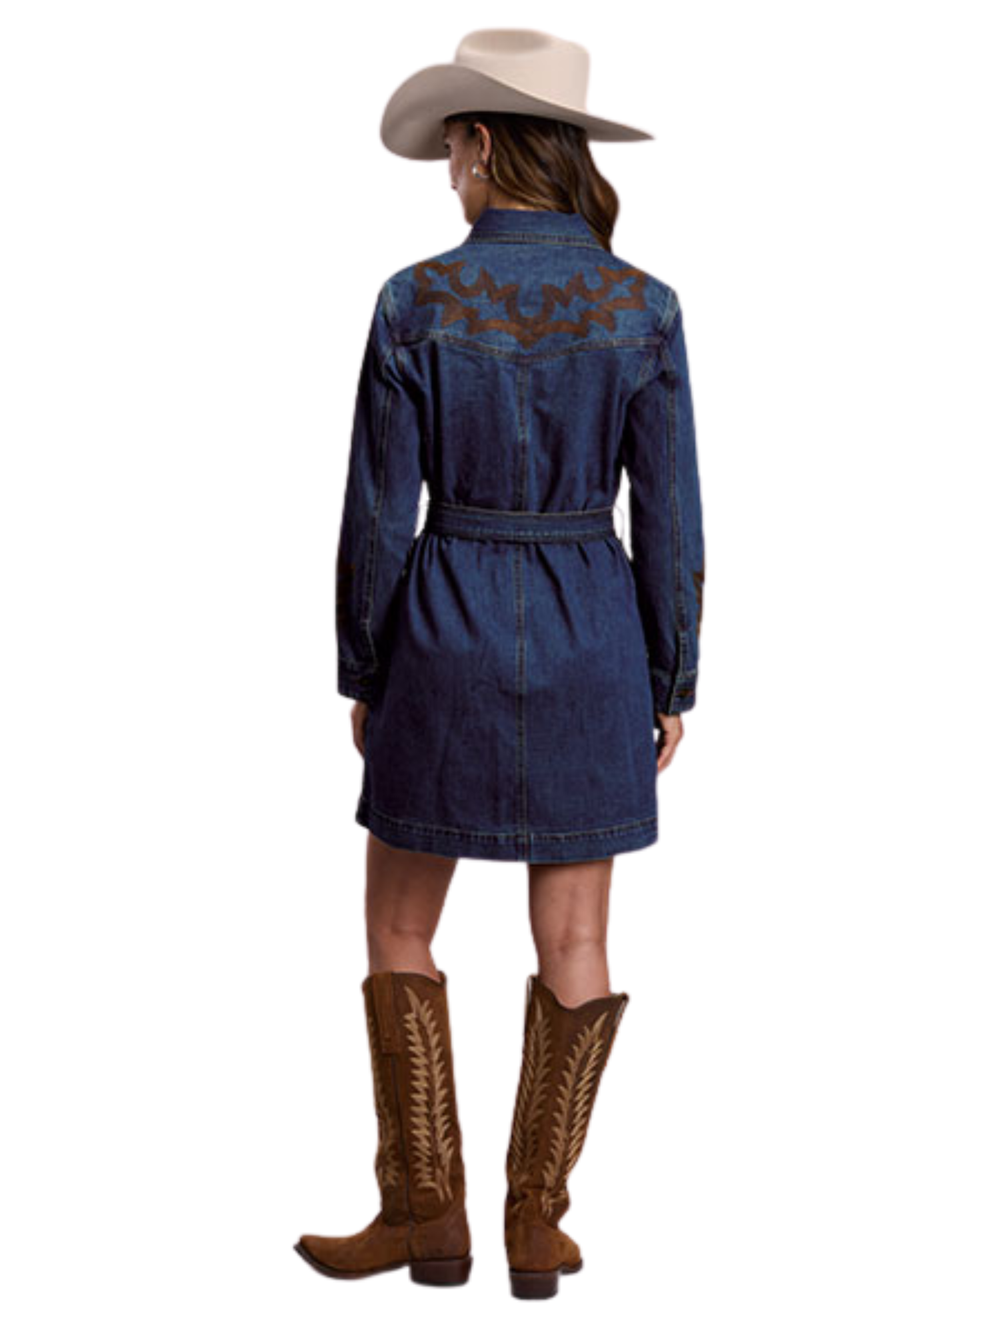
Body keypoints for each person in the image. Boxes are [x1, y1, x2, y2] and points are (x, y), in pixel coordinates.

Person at [295, 29, 706, 1300]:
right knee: (575, 934)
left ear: (478, 143)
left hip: (445, 626)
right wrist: (670, 680)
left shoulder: (415, 301)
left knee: (398, 921)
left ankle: (426, 1211)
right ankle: (537, 1221)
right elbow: (671, 520)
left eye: (450, 150)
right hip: (593, 635)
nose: (448, 172)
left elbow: (378, 514)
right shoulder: (643, 307)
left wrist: (366, 664)